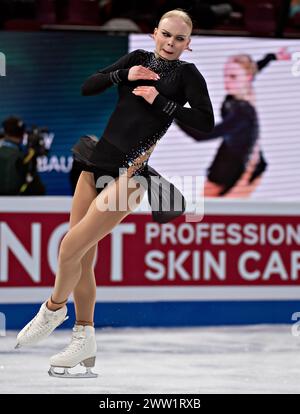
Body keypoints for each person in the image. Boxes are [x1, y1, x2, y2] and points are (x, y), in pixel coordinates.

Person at [15, 8, 214, 378]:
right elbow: (88, 85)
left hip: (132, 175)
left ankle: (52, 309)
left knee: (68, 247)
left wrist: (163, 103)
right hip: (96, 165)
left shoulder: (188, 75)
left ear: (189, 44)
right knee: (82, 258)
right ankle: (84, 335)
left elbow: (205, 122)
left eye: (180, 39)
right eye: (166, 35)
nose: (171, 43)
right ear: (155, 33)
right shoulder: (138, 59)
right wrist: (123, 74)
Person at [177, 47, 291, 197]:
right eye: (226, 75)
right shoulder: (239, 92)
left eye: (233, 76)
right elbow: (256, 67)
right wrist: (272, 56)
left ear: (248, 77)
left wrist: (172, 111)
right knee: (207, 208)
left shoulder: (242, 112)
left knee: (210, 210)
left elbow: (202, 134)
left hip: (240, 169)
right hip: (229, 157)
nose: (227, 81)